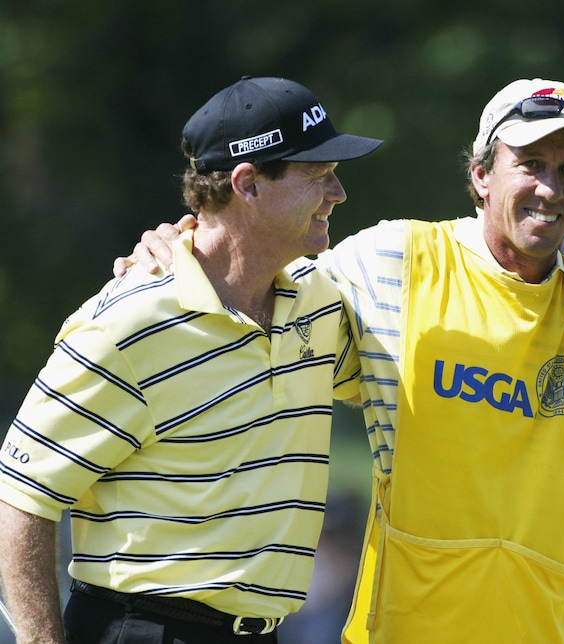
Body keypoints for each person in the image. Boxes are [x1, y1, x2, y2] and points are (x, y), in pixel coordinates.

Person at [120, 78, 564, 643]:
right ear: (481, 175)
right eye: (530, 163)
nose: (551, 187)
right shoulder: (396, 259)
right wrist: (178, 247)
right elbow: (258, 285)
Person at [0, 75, 382, 644]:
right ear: (248, 184)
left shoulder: (319, 305)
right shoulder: (125, 323)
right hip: (142, 631)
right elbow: (21, 500)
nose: (338, 193)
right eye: (318, 176)